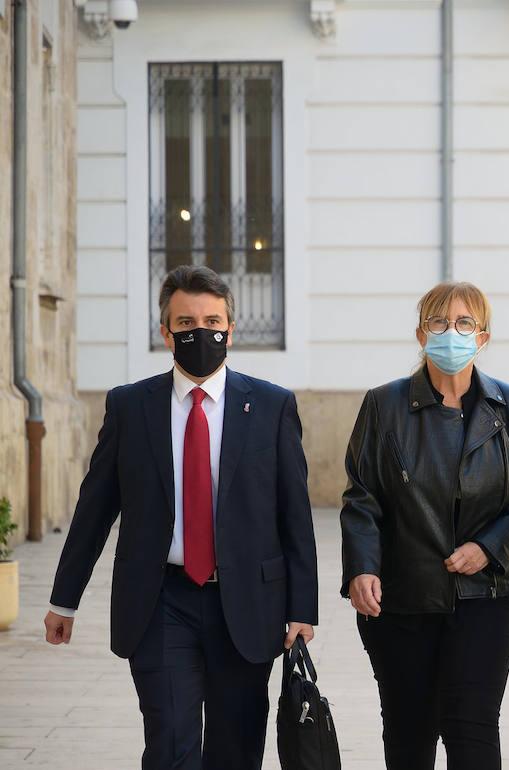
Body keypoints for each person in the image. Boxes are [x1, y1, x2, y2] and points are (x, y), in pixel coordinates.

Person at [44, 266, 318, 770]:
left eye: (213, 320)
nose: (201, 331)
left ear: (231, 329)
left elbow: (294, 516)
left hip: (247, 603)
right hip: (159, 600)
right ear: (166, 332)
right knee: (170, 742)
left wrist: (303, 608)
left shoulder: (273, 406)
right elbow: (94, 508)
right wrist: (65, 598)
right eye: (186, 321)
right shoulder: (130, 407)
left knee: (236, 751)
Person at [340, 282, 509, 770]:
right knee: (408, 733)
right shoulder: (383, 405)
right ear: (421, 334)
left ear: (483, 338)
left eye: (464, 324)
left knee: (473, 730)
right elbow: (361, 497)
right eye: (438, 322)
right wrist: (362, 567)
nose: (451, 333)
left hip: (489, 597)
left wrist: (490, 547)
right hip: (403, 599)